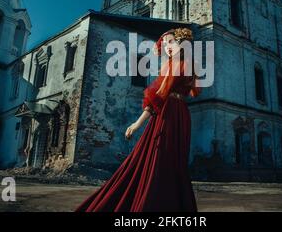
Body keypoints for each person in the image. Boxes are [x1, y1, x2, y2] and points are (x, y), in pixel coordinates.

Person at [76, 27, 201, 212]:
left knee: (171, 160)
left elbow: (178, 92)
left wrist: (137, 123)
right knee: (162, 159)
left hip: (176, 113)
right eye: (165, 44)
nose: (167, 47)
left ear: (181, 43)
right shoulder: (177, 65)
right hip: (174, 113)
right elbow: (164, 97)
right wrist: (138, 123)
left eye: (171, 42)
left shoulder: (182, 64)